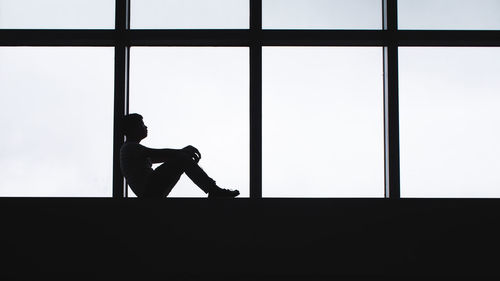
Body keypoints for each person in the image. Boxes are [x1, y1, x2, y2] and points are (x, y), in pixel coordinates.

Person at [120, 113, 239, 198]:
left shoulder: (132, 150)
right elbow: (159, 153)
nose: (145, 127)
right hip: (149, 190)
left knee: (181, 159)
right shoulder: (130, 147)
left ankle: (213, 190)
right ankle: (213, 190)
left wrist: (183, 155)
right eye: (141, 125)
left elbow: (163, 156)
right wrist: (183, 153)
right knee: (181, 159)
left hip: (150, 190)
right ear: (132, 129)